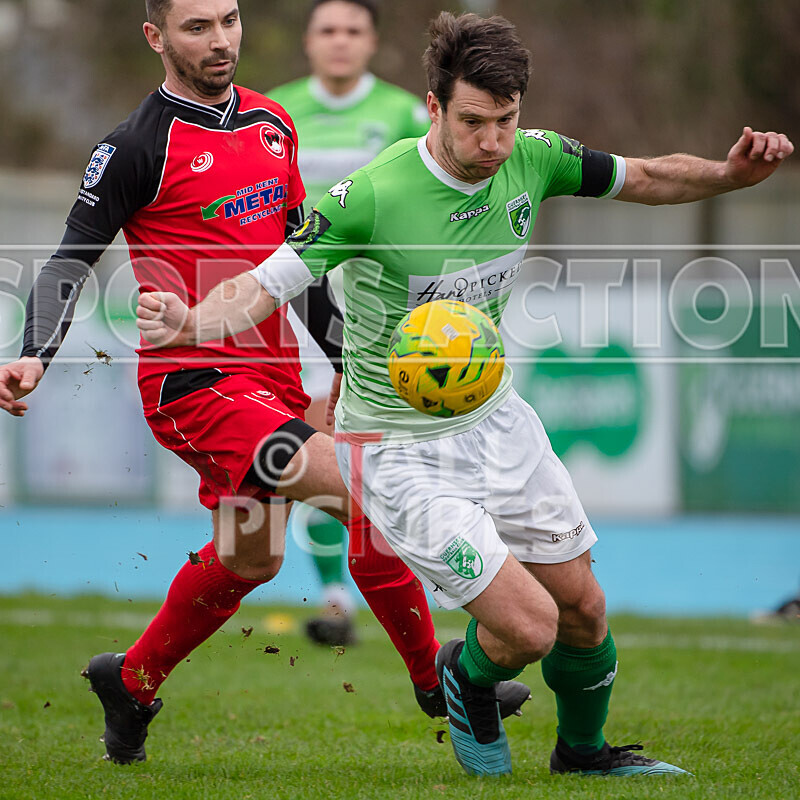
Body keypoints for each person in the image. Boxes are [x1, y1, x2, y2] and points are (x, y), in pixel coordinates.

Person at [135, 10, 794, 778]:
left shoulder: (536, 158)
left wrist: (729, 175)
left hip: (497, 423)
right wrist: (189, 322)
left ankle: (582, 755)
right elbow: (262, 287)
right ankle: (462, 675)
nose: (493, 144)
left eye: (506, 122)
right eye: (474, 122)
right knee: (529, 628)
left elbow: (642, 175)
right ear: (435, 108)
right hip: (396, 450)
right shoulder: (369, 196)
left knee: (584, 609)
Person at [0, 1, 529, 765]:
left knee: (254, 557)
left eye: (230, 19)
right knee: (360, 482)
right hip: (197, 387)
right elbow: (69, 257)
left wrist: (347, 362)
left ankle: (132, 681)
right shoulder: (133, 147)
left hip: (274, 379)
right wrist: (32, 355)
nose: (220, 40)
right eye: (196, 27)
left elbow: (299, 264)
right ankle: (435, 679)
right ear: (155, 37)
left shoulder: (271, 121)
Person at [268, 0, 430, 646]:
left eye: (353, 31)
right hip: (303, 312)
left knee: (390, 460)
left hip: (385, 311)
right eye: (328, 30)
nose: (340, 42)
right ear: (309, 42)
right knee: (330, 451)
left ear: (373, 43)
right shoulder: (274, 114)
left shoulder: (405, 115)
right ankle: (338, 599)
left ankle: (432, 584)